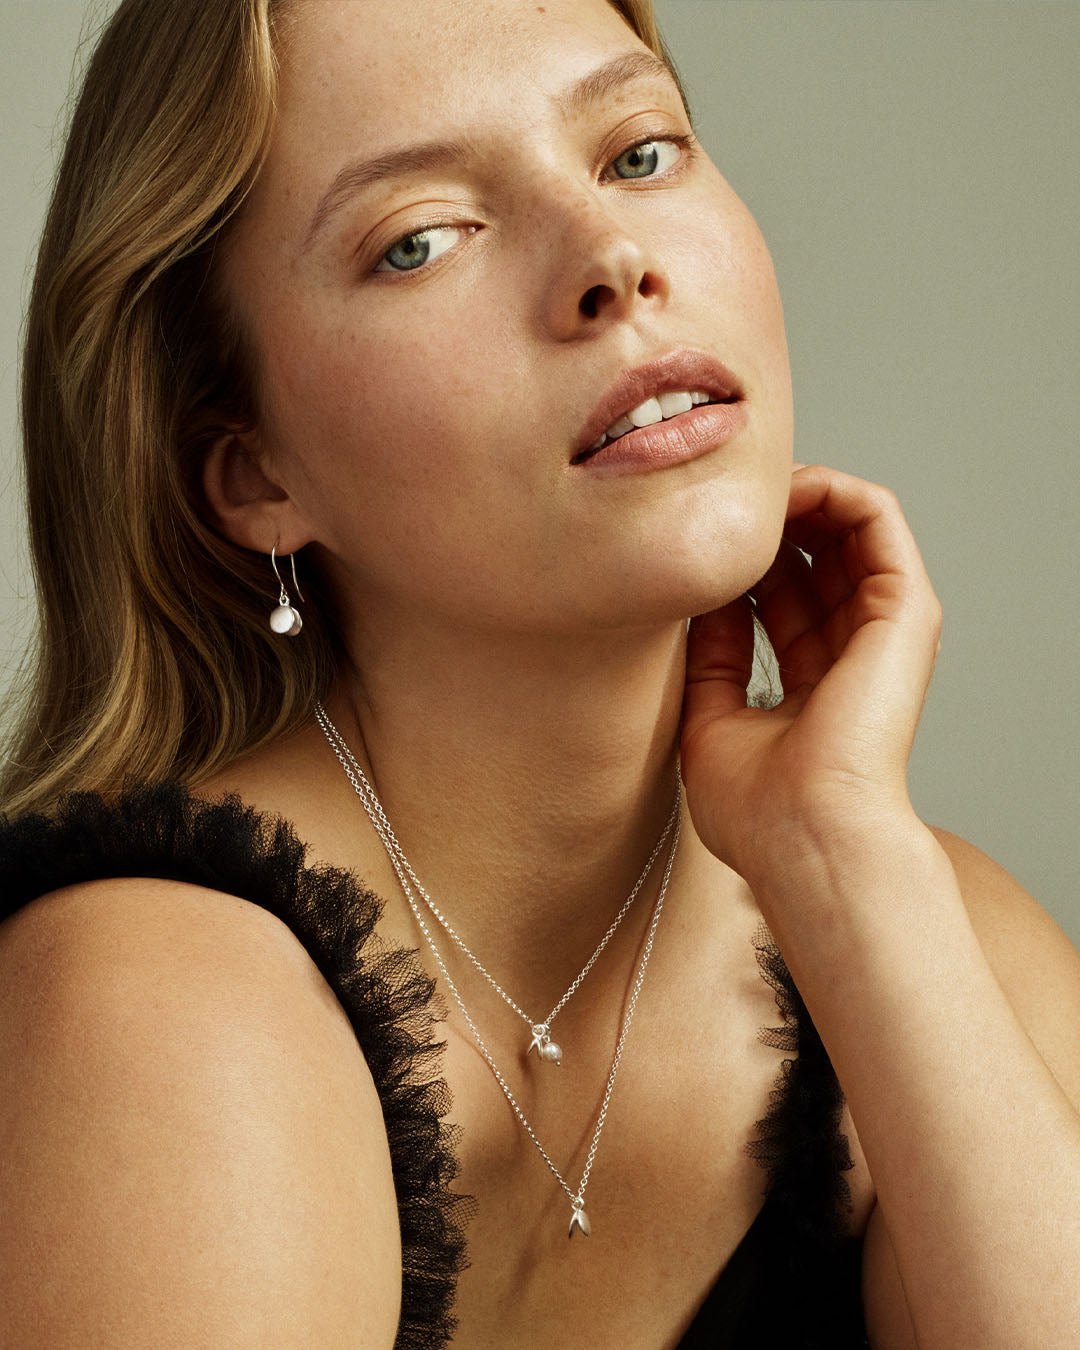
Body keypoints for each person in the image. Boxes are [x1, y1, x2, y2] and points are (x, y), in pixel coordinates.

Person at [1, 1, 1077, 1345]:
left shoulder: (942, 938)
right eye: (420, 239)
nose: (613, 258)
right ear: (254, 471)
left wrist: (845, 858)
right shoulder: (154, 1000)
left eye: (639, 152)